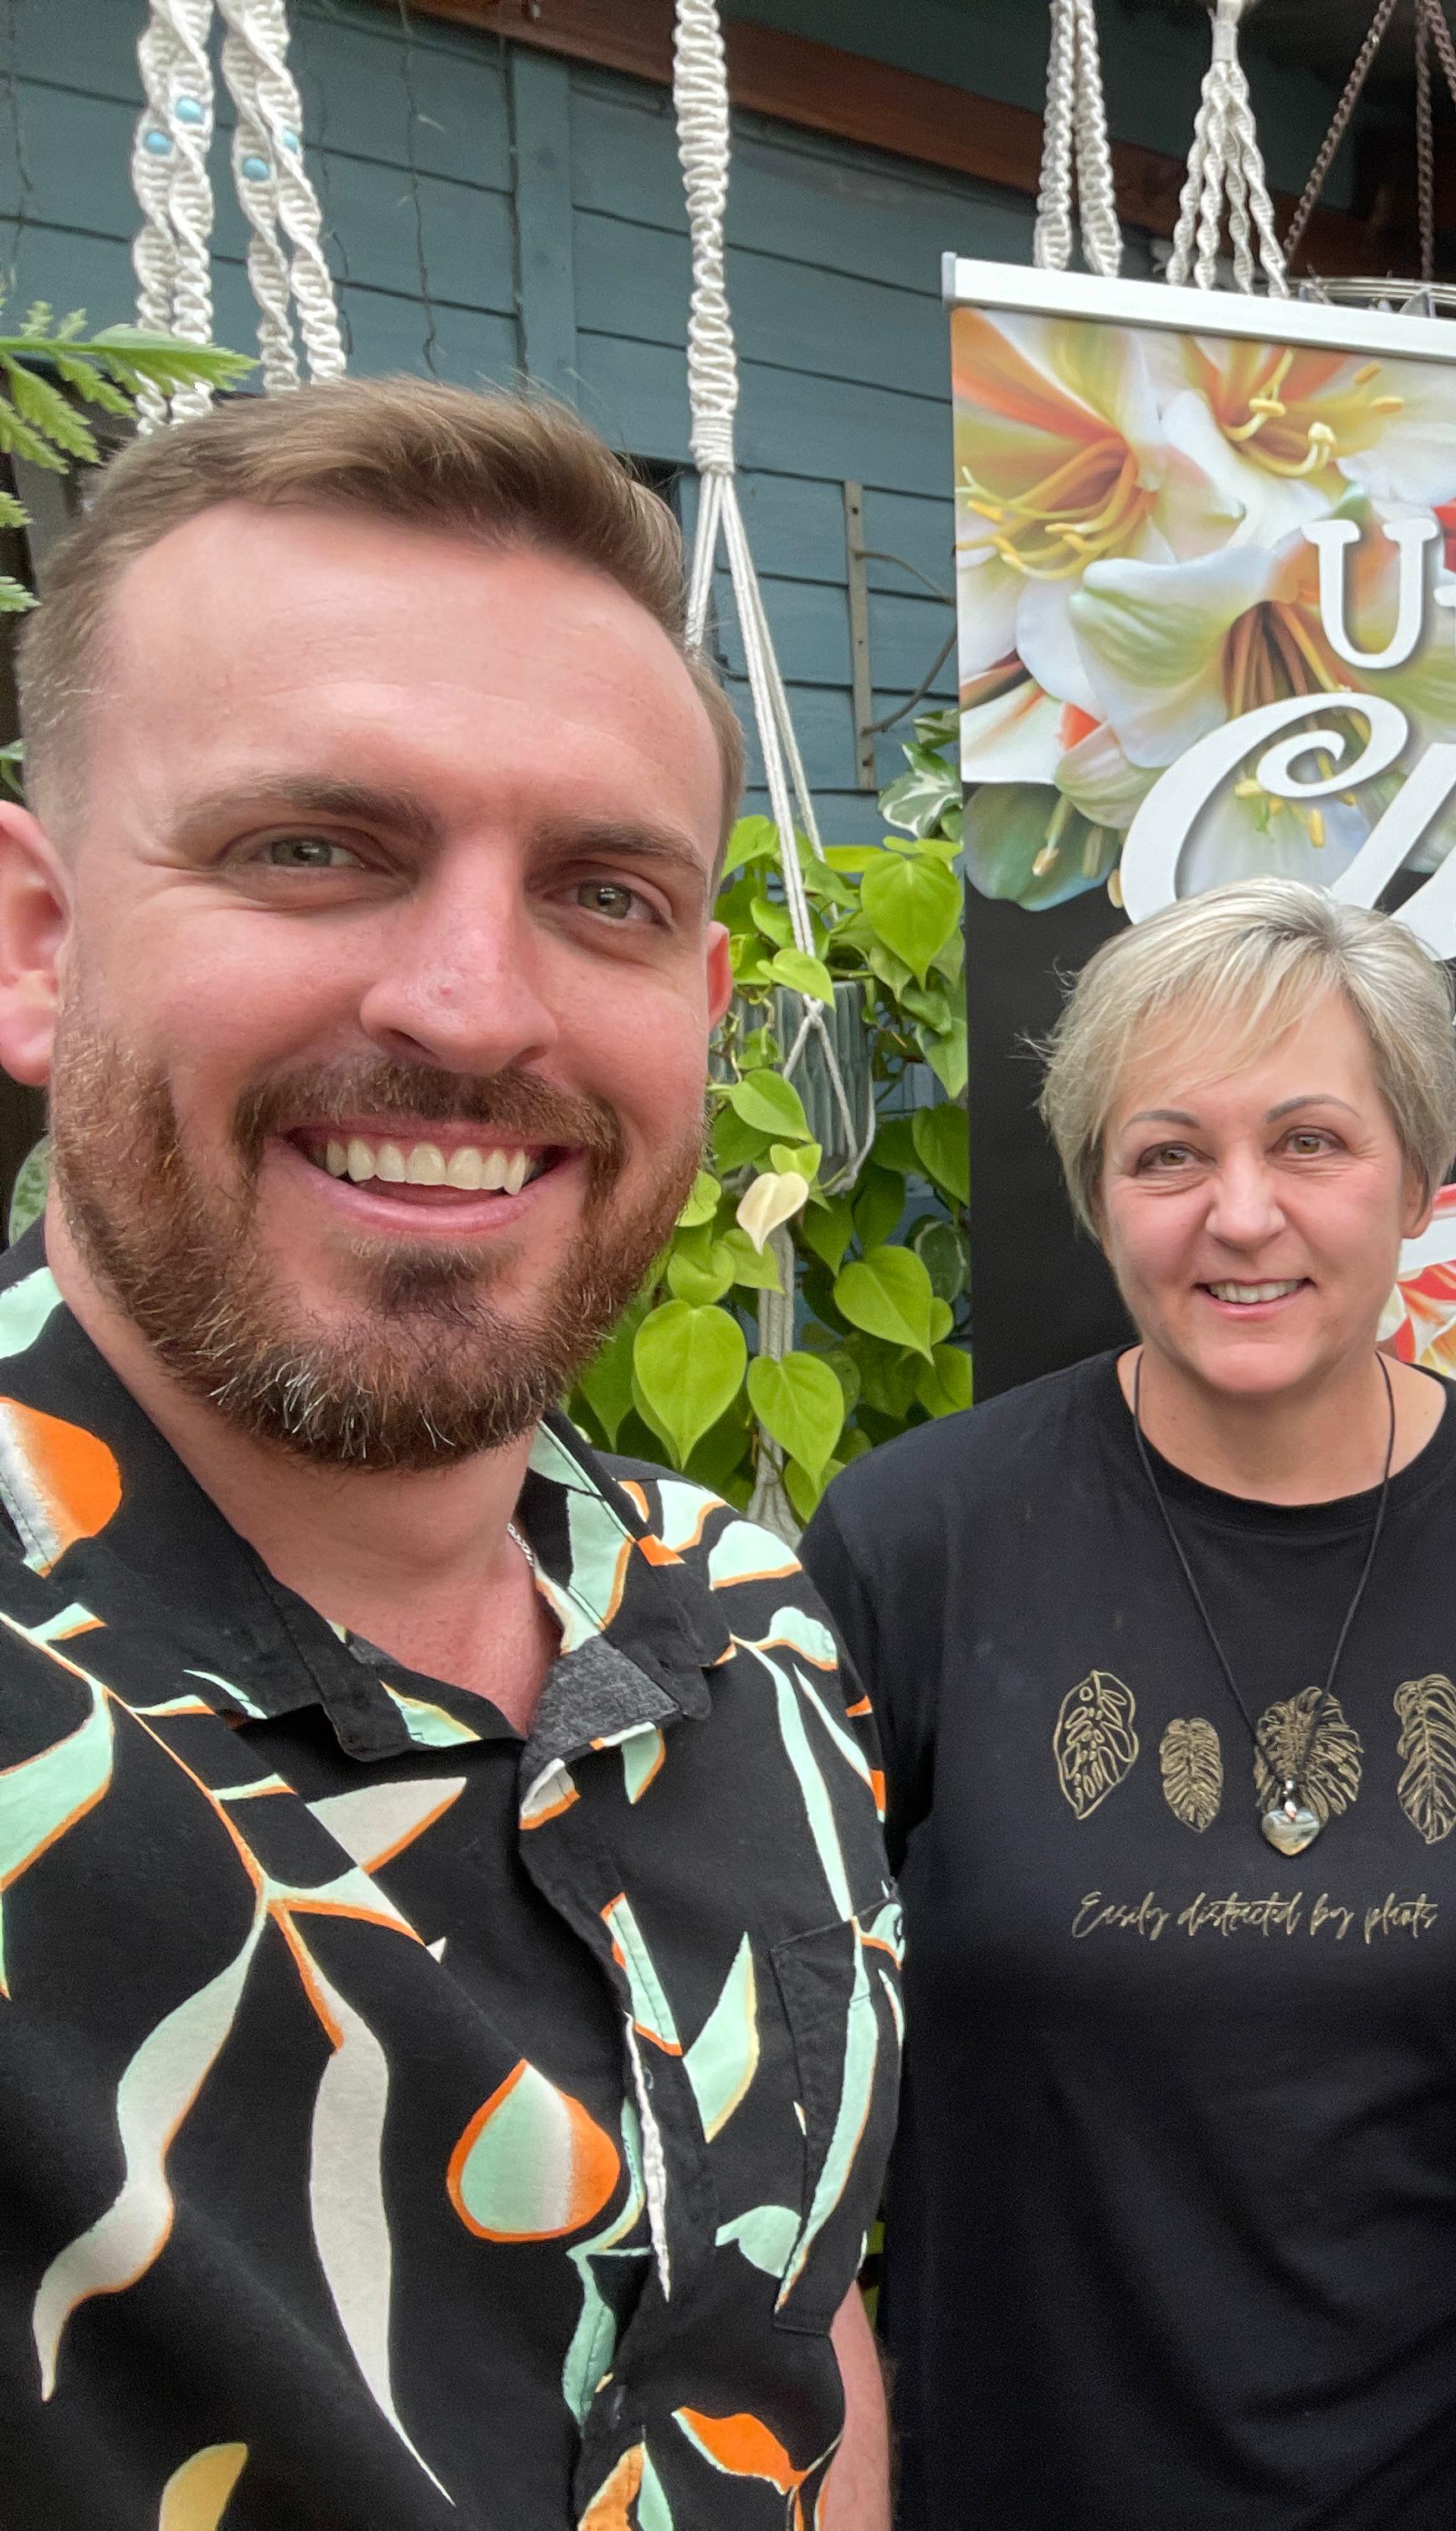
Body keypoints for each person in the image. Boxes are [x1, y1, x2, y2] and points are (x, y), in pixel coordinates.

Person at [0, 382, 898, 2525]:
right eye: (313, 851)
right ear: (38, 941)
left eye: (603, 894)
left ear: (702, 999)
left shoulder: (752, 1627)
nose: (476, 1006)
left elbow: (784, 2326)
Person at [801, 877, 1456, 2531]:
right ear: (1099, 1195)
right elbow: (792, 2082)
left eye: (1311, 1142)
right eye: (1169, 1155)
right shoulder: (914, 1545)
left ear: (1419, 1177)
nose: (1243, 1214)